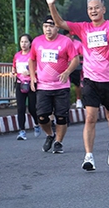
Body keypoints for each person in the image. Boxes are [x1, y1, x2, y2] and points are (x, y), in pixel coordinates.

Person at [44, 0, 109, 170]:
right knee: (90, 117)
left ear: (103, 9)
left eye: (97, 7)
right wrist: (52, 5)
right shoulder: (83, 28)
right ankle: (88, 156)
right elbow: (59, 24)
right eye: (90, 8)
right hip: (91, 79)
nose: (93, 10)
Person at [29, 16, 79, 154]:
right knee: (42, 116)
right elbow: (31, 60)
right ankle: (50, 134)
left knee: (61, 116)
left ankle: (58, 142)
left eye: (51, 26)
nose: (48, 29)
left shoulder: (66, 42)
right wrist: (33, 77)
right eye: (45, 26)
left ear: (57, 27)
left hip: (61, 86)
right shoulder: (37, 42)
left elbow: (75, 59)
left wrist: (67, 72)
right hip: (43, 86)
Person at [12, 34, 40, 140]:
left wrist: (30, 72)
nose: (23, 44)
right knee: (21, 108)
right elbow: (14, 68)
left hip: (31, 83)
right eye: (22, 42)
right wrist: (12, 72)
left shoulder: (33, 56)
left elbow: (39, 69)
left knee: (32, 108)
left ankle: (36, 124)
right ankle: (22, 131)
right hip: (20, 83)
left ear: (30, 44)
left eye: (26, 42)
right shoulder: (17, 55)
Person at [63, 30, 84, 108]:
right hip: (64, 66)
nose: (70, 37)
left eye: (71, 36)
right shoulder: (62, 43)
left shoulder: (78, 43)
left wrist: (74, 57)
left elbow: (82, 54)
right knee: (64, 83)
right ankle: (66, 100)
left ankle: (78, 100)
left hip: (76, 66)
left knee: (77, 83)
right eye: (68, 36)